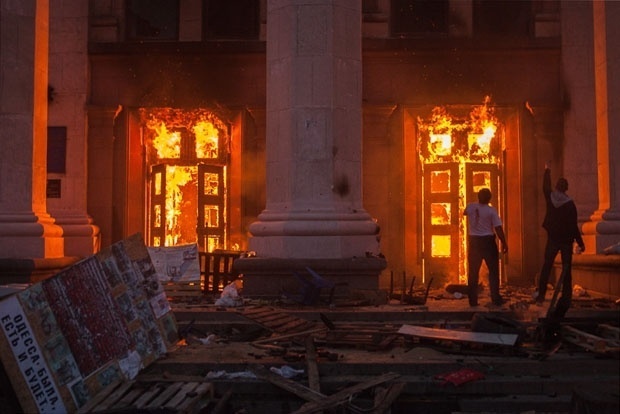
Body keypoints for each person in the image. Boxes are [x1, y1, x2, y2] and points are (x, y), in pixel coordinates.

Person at [536, 164, 585, 318]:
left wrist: (547, 171)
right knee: (566, 269)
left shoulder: (551, 198)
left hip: (553, 239)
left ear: (557, 187)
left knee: (546, 266)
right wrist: (580, 242)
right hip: (565, 241)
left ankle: (541, 295)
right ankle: (566, 296)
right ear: (566, 189)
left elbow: (545, 187)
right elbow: (573, 225)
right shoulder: (570, 204)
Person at [463, 188, 508, 307]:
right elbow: (498, 228)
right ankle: (495, 299)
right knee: (493, 271)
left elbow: (464, 212)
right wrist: (504, 242)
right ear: (489, 198)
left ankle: (472, 301)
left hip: (474, 242)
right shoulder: (491, 211)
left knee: (473, 272)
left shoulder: (470, 207)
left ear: (478, 196)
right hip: (488, 242)